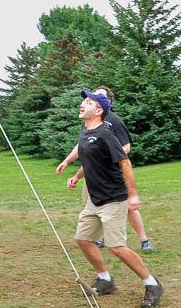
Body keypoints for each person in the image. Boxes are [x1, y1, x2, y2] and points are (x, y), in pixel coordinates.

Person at [69, 90, 163, 308]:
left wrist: (133, 194)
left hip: (113, 198)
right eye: (84, 100)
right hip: (95, 199)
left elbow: (125, 163)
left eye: (89, 102)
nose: (83, 104)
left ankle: (152, 283)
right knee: (83, 240)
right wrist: (75, 176)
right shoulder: (85, 130)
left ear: (99, 111)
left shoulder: (105, 134)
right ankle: (105, 279)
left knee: (116, 247)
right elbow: (89, 160)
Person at [56, 85, 155, 252]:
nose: (92, 99)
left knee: (128, 206)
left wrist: (107, 157)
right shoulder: (88, 122)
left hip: (113, 171)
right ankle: (98, 238)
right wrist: (67, 161)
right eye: (92, 96)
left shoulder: (114, 121)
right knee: (92, 204)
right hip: (94, 173)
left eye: (99, 97)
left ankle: (144, 239)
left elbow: (126, 147)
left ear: (107, 102)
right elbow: (82, 145)